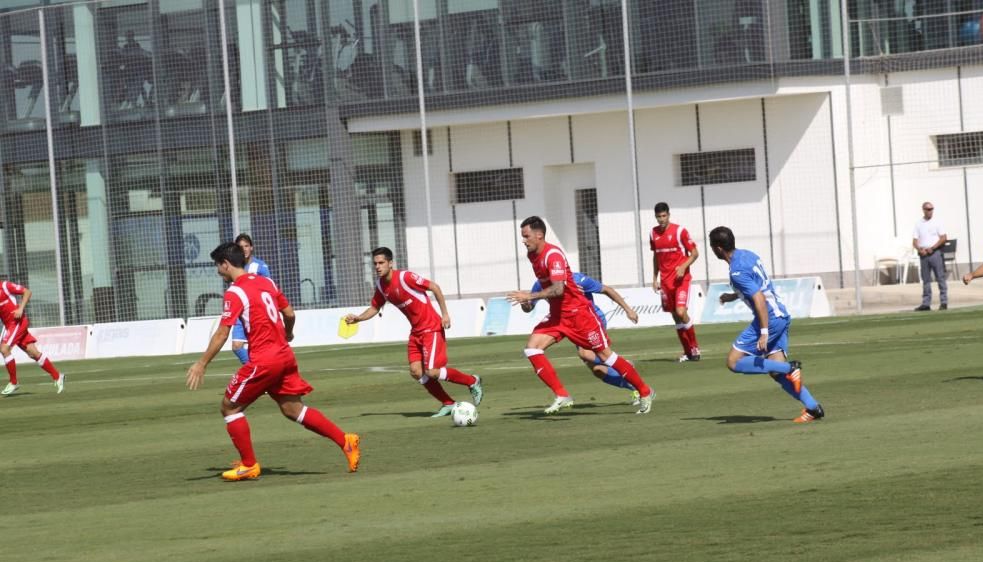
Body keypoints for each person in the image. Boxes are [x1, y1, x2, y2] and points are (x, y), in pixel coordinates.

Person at [186, 242, 359, 481]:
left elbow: (222, 333)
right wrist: (288, 334)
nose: (218, 271)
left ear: (226, 264)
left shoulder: (235, 292)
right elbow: (289, 313)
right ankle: (346, 441)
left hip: (264, 360)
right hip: (284, 355)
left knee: (229, 407)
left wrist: (202, 363)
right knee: (292, 409)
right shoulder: (267, 282)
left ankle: (248, 464)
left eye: (218, 266)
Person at [507, 216, 655, 415]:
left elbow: (558, 289)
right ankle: (562, 395)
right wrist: (527, 301)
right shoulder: (532, 255)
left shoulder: (553, 256)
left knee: (604, 357)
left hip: (579, 316)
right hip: (558, 316)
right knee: (532, 348)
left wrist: (530, 295)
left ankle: (645, 391)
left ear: (539, 235)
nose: (523, 241)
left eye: (526, 236)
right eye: (522, 237)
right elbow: (541, 296)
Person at [344, 247, 483, 418]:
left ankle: (472, 381)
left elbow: (434, 287)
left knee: (432, 371)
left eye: (381, 263)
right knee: (416, 371)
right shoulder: (381, 286)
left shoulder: (405, 277)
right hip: (416, 332)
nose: (378, 267)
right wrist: (358, 318)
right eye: (375, 264)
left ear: (390, 263)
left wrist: (445, 314)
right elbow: (375, 307)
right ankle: (448, 403)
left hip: (431, 328)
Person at [708, 226, 824, 423]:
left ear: (718, 249)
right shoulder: (748, 255)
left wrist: (763, 332)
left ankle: (791, 368)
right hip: (781, 315)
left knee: (733, 362)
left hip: (769, 319)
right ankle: (813, 408)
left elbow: (759, 298)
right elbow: (756, 286)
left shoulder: (736, 271)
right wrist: (732, 296)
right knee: (775, 371)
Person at [521, 270, 640, 401]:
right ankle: (635, 388)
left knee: (585, 354)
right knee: (598, 370)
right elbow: (528, 308)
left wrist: (628, 310)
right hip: (567, 323)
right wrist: (524, 303)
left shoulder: (577, 279)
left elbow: (607, 290)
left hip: (590, 319)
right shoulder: (540, 284)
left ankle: (622, 363)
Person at [650, 202, 702, 361]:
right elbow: (656, 257)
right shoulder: (653, 233)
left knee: (681, 312)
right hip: (665, 282)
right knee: (675, 317)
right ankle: (687, 352)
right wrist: (654, 278)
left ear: (669, 214)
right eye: (658, 217)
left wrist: (683, 266)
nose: (661, 219)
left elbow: (694, 253)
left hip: (681, 280)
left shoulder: (680, 231)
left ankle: (695, 348)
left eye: (664, 216)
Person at [0, 279, 65, 396]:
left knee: (4, 349)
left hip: (17, 322)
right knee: (32, 352)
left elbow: (27, 292)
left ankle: (14, 382)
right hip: (9, 325)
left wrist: (20, 308)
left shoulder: (5, 286)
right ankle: (58, 376)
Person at [231, 233, 271, 365]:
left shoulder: (260, 266)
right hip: (239, 313)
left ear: (251, 247)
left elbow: (268, 288)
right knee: (237, 346)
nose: (244, 249)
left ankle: (257, 371)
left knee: (259, 347)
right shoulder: (234, 267)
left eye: (246, 246)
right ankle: (254, 368)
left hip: (256, 313)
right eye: (240, 247)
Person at [913, 201, 948, 311]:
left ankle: (943, 302)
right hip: (923, 254)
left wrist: (932, 248)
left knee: (940, 277)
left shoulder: (937, 222)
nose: (930, 211)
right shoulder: (918, 224)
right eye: (928, 209)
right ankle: (926, 303)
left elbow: (943, 238)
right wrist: (920, 249)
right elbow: (914, 241)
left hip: (935, 253)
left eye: (931, 209)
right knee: (926, 280)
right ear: (923, 210)